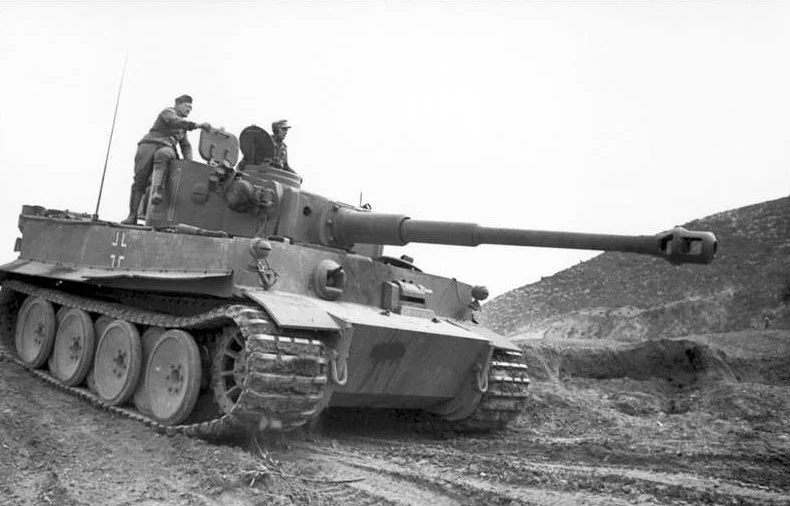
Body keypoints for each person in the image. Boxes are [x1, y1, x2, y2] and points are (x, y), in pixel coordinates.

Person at [121, 94, 210, 224]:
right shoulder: (168, 112)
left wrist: (188, 163)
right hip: (148, 145)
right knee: (139, 181)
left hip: (167, 148)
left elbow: (186, 146)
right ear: (177, 104)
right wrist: (196, 125)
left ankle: (157, 191)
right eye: (186, 106)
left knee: (163, 155)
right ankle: (132, 215)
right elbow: (174, 121)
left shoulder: (183, 130)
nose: (189, 110)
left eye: (191, 108)